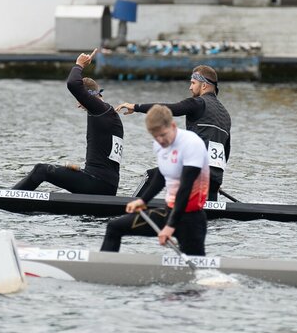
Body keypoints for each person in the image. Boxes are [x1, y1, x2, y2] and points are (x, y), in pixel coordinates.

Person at [100, 105, 210, 255]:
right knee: (114, 226)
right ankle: (105, 270)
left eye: (163, 135)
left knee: (198, 273)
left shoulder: (192, 144)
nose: (160, 140)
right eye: (155, 136)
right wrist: (143, 200)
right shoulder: (159, 145)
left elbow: (186, 188)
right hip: (168, 212)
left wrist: (171, 226)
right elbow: (161, 176)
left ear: (172, 125)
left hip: (190, 219)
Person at [12, 48, 124, 195]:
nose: (78, 104)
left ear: (88, 96)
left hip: (98, 183)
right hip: (106, 184)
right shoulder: (109, 113)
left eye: (80, 100)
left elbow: (73, 83)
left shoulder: (100, 109)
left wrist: (79, 64)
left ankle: (5, 198)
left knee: (41, 170)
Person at [116, 65, 230, 201]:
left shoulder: (198, 103)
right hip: (213, 178)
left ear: (204, 86)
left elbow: (170, 109)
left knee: (151, 176)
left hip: (193, 171)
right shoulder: (226, 115)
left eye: (193, 83)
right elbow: (226, 150)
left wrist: (136, 107)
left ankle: (129, 207)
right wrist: (217, 179)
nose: (190, 87)